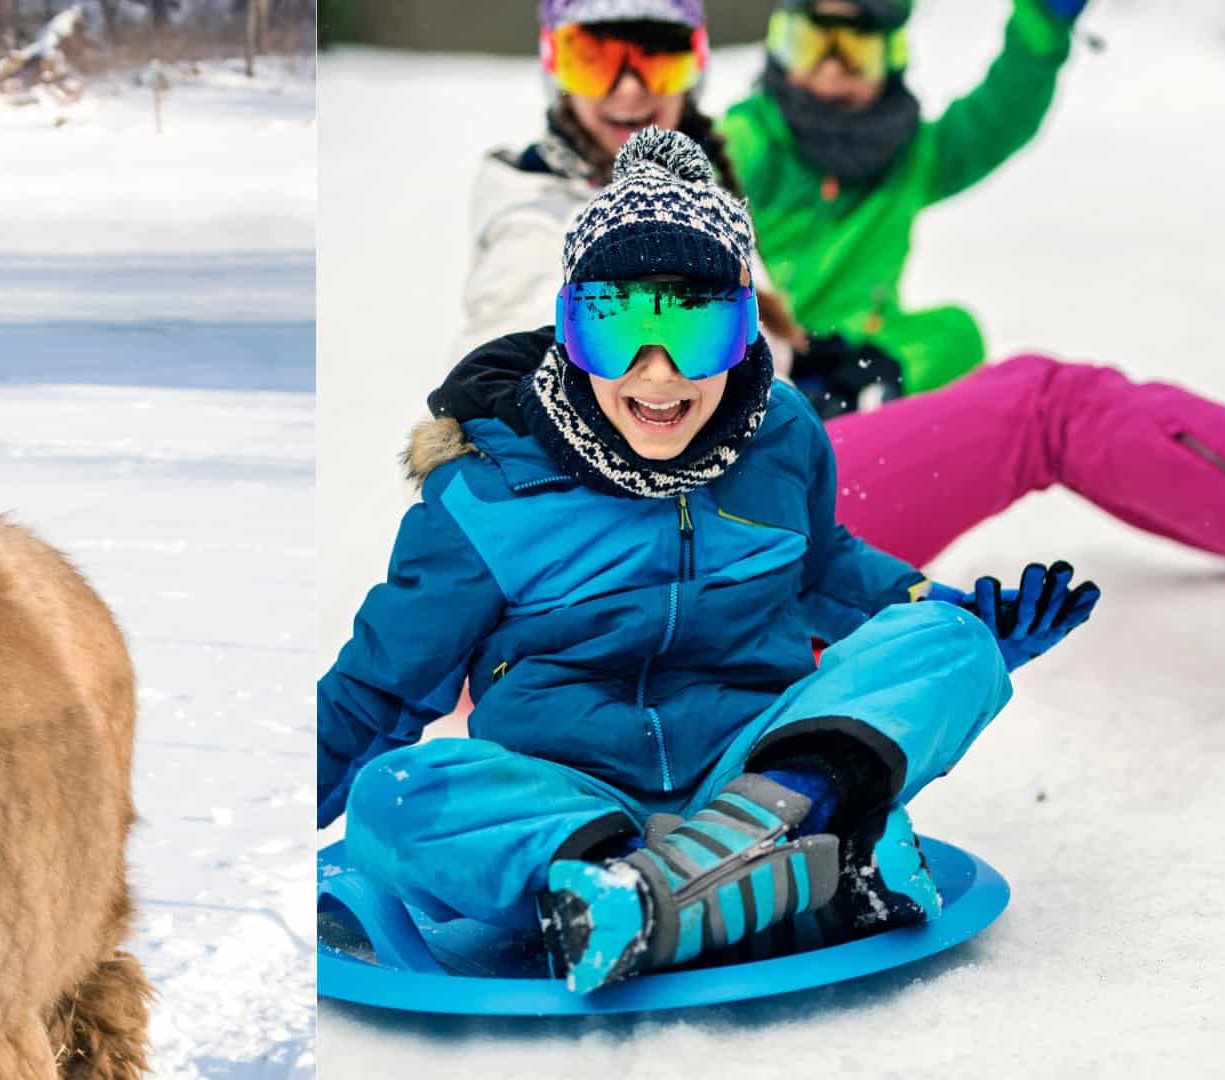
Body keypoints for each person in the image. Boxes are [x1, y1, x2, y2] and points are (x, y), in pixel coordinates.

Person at [317, 130, 1099, 990]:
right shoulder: (487, 490)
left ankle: (657, 901)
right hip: (568, 799)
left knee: (948, 643)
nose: (658, 376)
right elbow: (379, 688)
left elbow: (821, 566)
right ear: (572, 329)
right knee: (395, 795)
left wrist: (940, 608)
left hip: (760, 768)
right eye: (619, 331)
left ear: (743, 327)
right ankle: (793, 877)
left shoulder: (783, 434)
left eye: (697, 328)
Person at [450, 0, 1225, 567]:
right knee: (1048, 406)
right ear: (554, 65)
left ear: (696, 66)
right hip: (708, 541)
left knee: (957, 338)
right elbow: (514, 334)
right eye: (596, 58)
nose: (629, 89)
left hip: (739, 501)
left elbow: (991, 123)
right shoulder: (556, 211)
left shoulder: (699, 180)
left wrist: (804, 368)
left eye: (657, 60)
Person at [719, 0, 1084, 393]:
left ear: (891, 55)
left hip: (858, 357)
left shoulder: (910, 157)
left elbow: (997, 119)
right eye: (812, 44)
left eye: (855, 50)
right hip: (755, 353)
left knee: (955, 335)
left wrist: (1041, 24)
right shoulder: (747, 140)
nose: (831, 67)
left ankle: (861, 400)